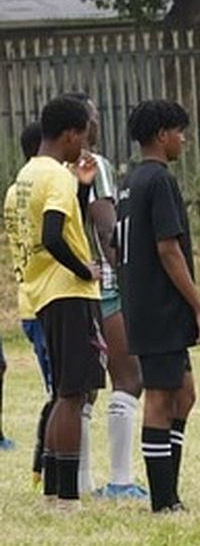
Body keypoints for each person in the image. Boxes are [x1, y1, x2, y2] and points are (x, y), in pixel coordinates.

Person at [118, 100, 200, 513]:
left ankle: (170, 490)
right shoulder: (159, 180)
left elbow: (115, 245)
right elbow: (168, 248)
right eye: (180, 132)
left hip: (148, 305)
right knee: (159, 398)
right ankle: (163, 502)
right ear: (162, 135)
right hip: (158, 307)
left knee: (184, 394)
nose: (184, 140)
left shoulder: (129, 182)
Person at [17, 96, 103, 509]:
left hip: (41, 293)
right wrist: (84, 270)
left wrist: (82, 190)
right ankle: (67, 497)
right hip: (68, 293)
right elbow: (53, 237)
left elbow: (63, 226)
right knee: (73, 394)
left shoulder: (25, 176)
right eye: (83, 136)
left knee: (62, 393)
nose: (84, 145)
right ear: (70, 134)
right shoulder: (56, 176)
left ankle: (53, 489)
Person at [67, 92, 146, 501]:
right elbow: (105, 227)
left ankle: (80, 482)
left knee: (80, 389)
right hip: (105, 284)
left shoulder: (49, 168)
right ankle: (120, 480)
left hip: (66, 287)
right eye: (94, 115)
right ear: (83, 125)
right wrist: (128, 269)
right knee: (128, 377)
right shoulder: (92, 164)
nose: (99, 122)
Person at [7, 123, 51, 483]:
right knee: (64, 393)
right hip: (49, 301)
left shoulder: (15, 191)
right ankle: (46, 467)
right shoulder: (44, 186)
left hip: (28, 301)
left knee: (59, 391)